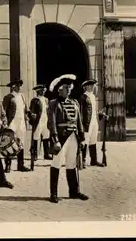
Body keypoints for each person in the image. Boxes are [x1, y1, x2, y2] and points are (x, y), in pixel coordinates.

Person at [48, 74, 89, 203]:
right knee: (56, 164)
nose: (69, 89)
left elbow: (79, 121)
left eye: (70, 87)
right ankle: (53, 194)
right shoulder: (53, 103)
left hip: (73, 137)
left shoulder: (75, 102)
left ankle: (74, 191)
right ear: (60, 89)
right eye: (66, 87)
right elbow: (52, 123)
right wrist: (55, 140)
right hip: (61, 138)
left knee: (71, 165)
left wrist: (82, 138)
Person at [2, 78, 31, 172]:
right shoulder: (8, 97)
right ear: (13, 86)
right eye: (17, 85)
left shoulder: (22, 96)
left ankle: (20, 165)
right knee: (9, 143)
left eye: (20, 85)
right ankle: (8, 165)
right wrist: (5, 123)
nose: (19, 87)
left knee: (20, 143)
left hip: (21, 122)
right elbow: (4, 111)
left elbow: (25, 109)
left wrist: (28, 115)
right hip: (12, 122)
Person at [79, 79, 107, 168]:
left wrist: (101, 114)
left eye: (93, 85)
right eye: (91, 85)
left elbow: (93, 111)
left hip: (94, 121)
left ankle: (93, 160)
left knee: (93, 140)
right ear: (86, 87)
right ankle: (82, 160)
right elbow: (80, 112)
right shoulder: (83, 97)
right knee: (85, 141)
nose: (92, 87)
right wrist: (81, 125)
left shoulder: (93, 97)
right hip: (86, 123)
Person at [29, 84, 52, 160]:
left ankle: (46, 153)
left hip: (45, 120)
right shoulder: (34, 100)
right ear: (38, 92)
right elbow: (31, 111)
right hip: (38, 121)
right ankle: (35, 154)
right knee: (36, 137)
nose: (43, 92)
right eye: (41, 91)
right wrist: (33, 118)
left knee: (46, 136)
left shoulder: (46, 99)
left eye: (43, 91)